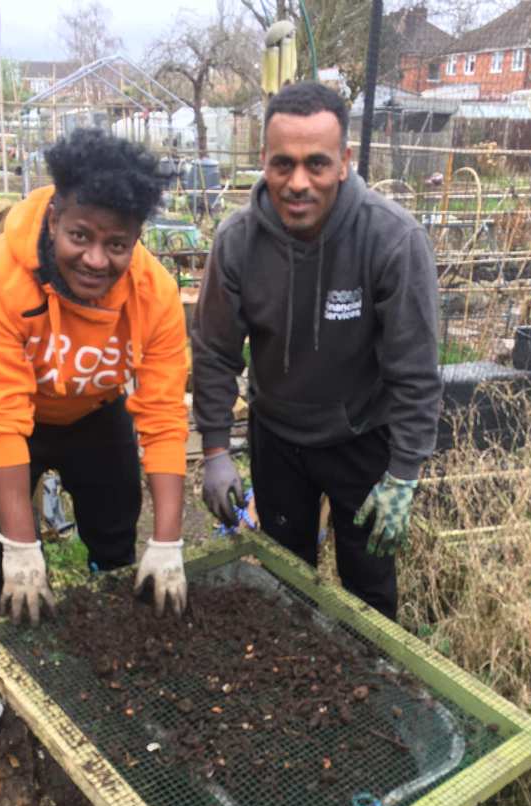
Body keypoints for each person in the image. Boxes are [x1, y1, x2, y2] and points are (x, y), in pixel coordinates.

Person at [0, 129, 189, 772]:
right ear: (54, 219)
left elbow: (162, 418)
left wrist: (169, 542)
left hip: (96, 414)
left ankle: (114, 663)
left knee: (115, 545)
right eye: (81, 236)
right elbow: (2, 422)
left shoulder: (154, 294)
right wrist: (22, 549)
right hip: (7, 415)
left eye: (117, 244)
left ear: (135, 240)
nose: (96, 259)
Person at [191, 83, 441, 621]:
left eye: (317, 164)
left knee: (368, 588)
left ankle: (375, 668)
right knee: (286, 579)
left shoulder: (392, 240)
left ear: (345, 162)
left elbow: (416, 373)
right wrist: (215, 450)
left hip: (361, 437)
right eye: (283, 163)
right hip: (278, 435)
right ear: (263, 159)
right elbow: (214, 352)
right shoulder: (237, 241)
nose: (298, 182)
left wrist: (404, 472)